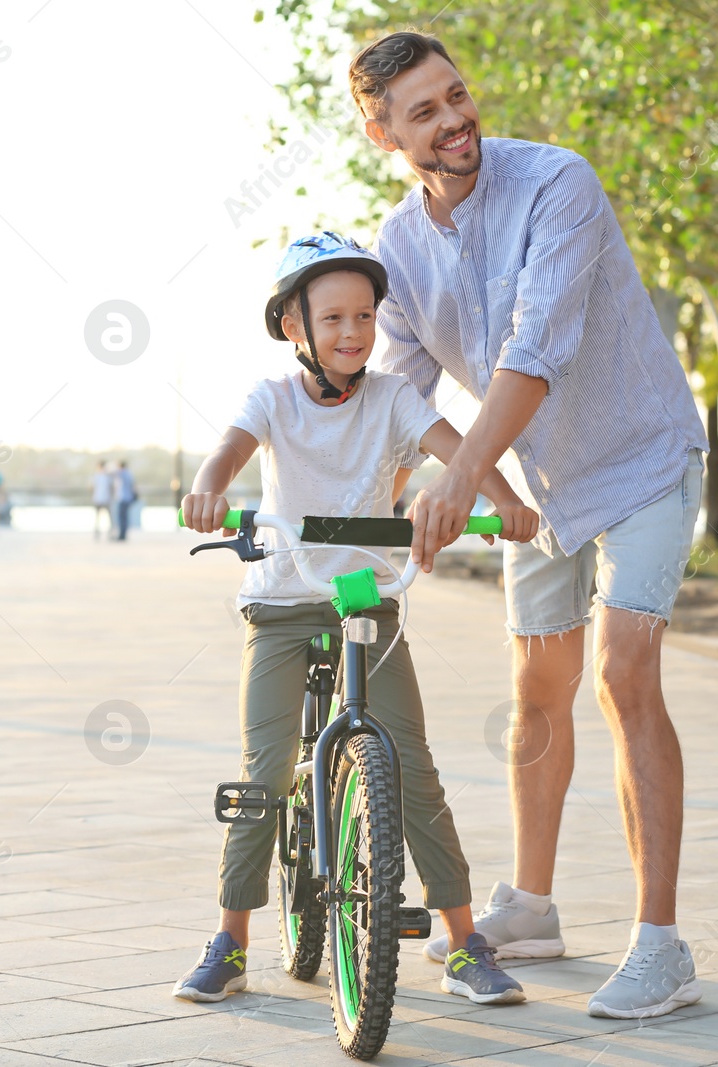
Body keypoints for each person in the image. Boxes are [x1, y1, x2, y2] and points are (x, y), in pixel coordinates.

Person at [350, 32, 710, 1019]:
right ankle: (534, 904)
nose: (454, 119)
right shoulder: (395, 248)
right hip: (539, 487)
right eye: (423, 111)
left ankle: (660, 944)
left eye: (455, 95)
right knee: (537, 688)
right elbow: (397, 393)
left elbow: (534, 349)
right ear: (382, 131)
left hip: (641, 462)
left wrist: (460, 478)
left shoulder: (558, 182)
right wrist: (362, 492)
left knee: (622, 671)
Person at [173, 232, 540, 1006]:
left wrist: (503, 501)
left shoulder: (394, 398)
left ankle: (466, 941)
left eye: (365, 316)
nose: (353, 333)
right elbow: (227, 454)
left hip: (368, 601)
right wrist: (209, 489)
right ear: (293, 327)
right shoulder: (271, 399)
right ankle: (231, 939)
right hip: (281, 601)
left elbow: (458, 452)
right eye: (333, 318)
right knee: (266, 770)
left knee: (409, 763)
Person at [115, 460, 138, 540]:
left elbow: (111, 472)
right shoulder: (129, 474)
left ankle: (122, 535)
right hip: (129, 498)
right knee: (125, 517)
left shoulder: (122, 473)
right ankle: (123, 534)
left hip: (123, 498)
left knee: (121, 517)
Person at [91, 460, 113, 539]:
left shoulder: (99, 476)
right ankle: (102, 533)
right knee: (103, 518)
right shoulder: (106, 476)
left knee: (102, 518)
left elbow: (92, 487)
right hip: (102, 499)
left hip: (102, 499)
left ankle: (103, 533)